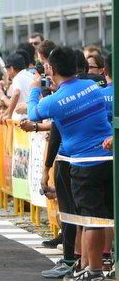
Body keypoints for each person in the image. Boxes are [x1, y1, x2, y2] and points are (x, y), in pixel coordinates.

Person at [28, 46, 114, 280]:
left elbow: (32, 113)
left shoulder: (53, 102)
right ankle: (98, 266)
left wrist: (35, 89)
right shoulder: (93, 86)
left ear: (52, 69)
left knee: (91, 220)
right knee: (109, 216)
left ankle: (94, 271)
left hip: (84, 164)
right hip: (110, 158)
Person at [2, 52, 35, 122]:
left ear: (11, 68)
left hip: (22, 119)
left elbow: (16, 93)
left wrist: (9, 115)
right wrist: (6, 113)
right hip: (33, 117)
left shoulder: (17, 78)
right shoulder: (31, 75)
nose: (7, 73)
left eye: (7, 70)